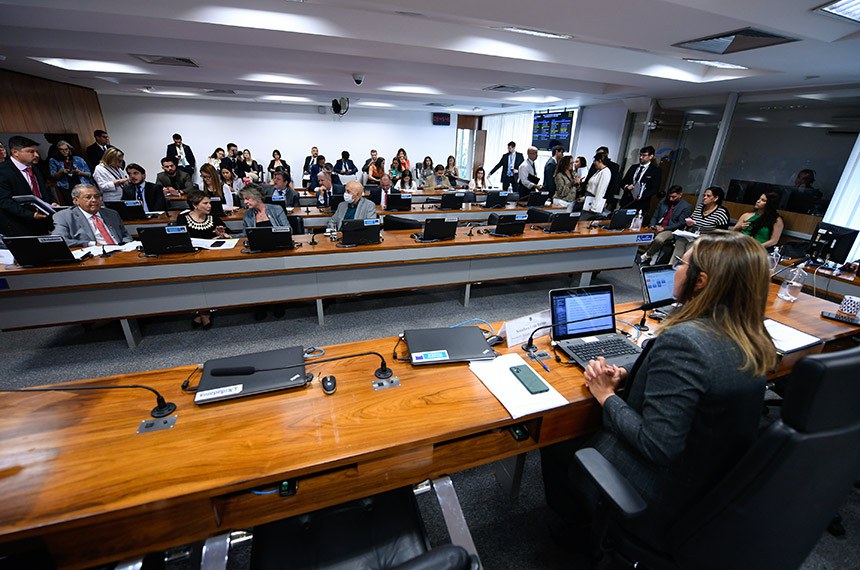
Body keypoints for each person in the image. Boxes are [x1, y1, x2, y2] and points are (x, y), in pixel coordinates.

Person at [542, 230, 775, 551]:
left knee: (555, 440)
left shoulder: (685, 342)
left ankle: (582, 527)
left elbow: (657, 446)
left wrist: (605, 395)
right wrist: (632, 376)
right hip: (713, 480)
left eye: (682, 262)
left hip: (660, 488)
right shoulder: (752, 336)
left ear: (701, 280)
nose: (675, 268)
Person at [176, 190, 229, 329]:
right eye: (205, 203)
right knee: (195, 282)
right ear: (194, 205)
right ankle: (203, 312)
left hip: (211, 259)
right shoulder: (182, 219)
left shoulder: (213, 218)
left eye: (210, 202)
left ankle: (204, 313)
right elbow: (180, 240)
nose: (209, 205)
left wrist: (222, 234)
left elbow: (228, 233)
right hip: (191, 259)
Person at [0, 136, 58, 236]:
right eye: (31, 151)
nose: (36, 155)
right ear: (15, 152)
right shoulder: (3, 171)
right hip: (19, 226)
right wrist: (30, 215)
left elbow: (43, 190)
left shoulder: (34, 168)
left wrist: (50, 203)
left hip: (43, 222)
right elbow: (4, 201)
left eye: (36, 151)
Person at [51, 183, 131, 247]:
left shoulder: (112, 214)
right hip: (94, 256)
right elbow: (59, 240)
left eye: (97, 197)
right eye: (88, 197)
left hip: (121, 251)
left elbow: (125, 235)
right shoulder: (64, 216)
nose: (94, 200)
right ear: (76, 200)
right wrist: (90, 244)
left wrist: (125, 245)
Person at [637, 185, 693, 265]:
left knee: (659, 239)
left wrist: (664, 228)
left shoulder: (686, 206)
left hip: (671, 230)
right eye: (669, 196)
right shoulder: (664, 201)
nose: (670, 199)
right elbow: (655, 215)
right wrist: (652, 224)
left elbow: (680, 223)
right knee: (641, 234)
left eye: (674, 197)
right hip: (658, 225)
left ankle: (647, 255)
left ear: (680, 195)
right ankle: (656, 251)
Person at [671, 186, 731, 261]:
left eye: (708, 196)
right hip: (694, 236)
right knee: (680, 242)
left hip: (709, 240)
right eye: (704, 195)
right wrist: (689, 224)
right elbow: (691, 222)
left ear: (716, 198)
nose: (704, 198)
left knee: (693, 245)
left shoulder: (721, 212)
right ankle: (671, 266)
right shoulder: (700, 207)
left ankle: (686, 268)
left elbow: (722, 233)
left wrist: (706, 236)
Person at [620, 145, 662, 217]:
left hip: (641, 203)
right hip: (627, 201)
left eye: (644, 155)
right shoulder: (633, 167)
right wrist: (627, 186)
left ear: (651, 156)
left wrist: (642, 196)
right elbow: (623, 181)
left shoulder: (655, 170)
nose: (641, 157)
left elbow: (655, 188)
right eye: (640, 155)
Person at [49, 140, 92, 205]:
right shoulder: (54, 160)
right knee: (72, 204)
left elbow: (89, 174)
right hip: (66, 186)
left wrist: (80, 172)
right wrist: (61, 172)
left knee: (86, 203)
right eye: (61, 150)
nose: (64, 151)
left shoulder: (78, 159)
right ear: (58, 151)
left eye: (66, 149)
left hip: (81, 183)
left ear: (69, 149)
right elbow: (53, 176)